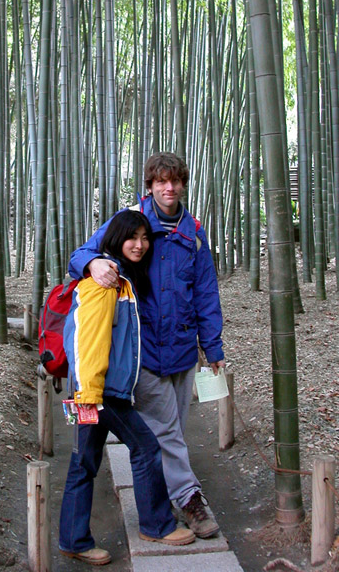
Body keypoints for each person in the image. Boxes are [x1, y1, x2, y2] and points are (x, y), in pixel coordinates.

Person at [69, 152, 225, 540]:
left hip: (183, 351)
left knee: (172, 430)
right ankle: (189, 500)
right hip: (145, 350)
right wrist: (93, 265)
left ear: (183, 184)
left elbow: (206, 293)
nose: (168, 188)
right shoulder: (134, 222)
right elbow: (82, 253)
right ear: (150, 185)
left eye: (174, 181)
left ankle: (165, 491)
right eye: (160, 182)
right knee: (167, 431)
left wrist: (214, 346)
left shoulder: (193, 232)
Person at [59, 210, 194, 566]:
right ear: (116, 239)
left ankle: (73, 539)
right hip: (100, 392)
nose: (140, 244)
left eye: (145, 237)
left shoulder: (120, 279)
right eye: (132, 237)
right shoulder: (104, 281)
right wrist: (90, 397)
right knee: (147, 447)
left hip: (94, 390)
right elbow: (88, 343)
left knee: (83, 462)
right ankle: (157, 524)